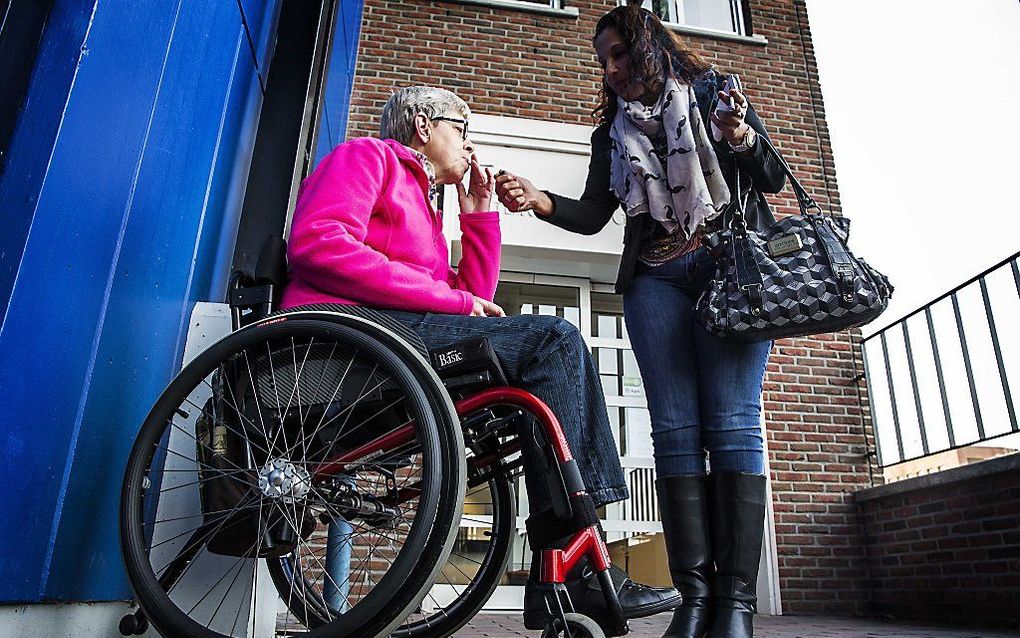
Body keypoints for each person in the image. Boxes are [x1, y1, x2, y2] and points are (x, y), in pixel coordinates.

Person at [280, 86, 680, 630]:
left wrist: (477, 219)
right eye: (461, 130)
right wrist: (455, 299)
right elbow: (319, 242)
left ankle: (561, 566)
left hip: (401, 340)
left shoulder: (423, 206)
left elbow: (472, 307)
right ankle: (573, 564)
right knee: (554, 341)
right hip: (349, 341)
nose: (469, 147)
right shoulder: (367, 157)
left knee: (538, 375)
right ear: (423, 124)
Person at [494, 6, 787, 638]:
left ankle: (735, 602)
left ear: (648, 46)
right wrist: (537, 199)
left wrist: (738, 135)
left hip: (727, 272)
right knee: (676, 433)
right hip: (654, 281)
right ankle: (696, 597)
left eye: (619, 53)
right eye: (603, 60)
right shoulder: (613, 133)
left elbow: (770, 177)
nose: (611, 68)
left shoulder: (712, 93)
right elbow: (597, 213)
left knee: (732, 426)